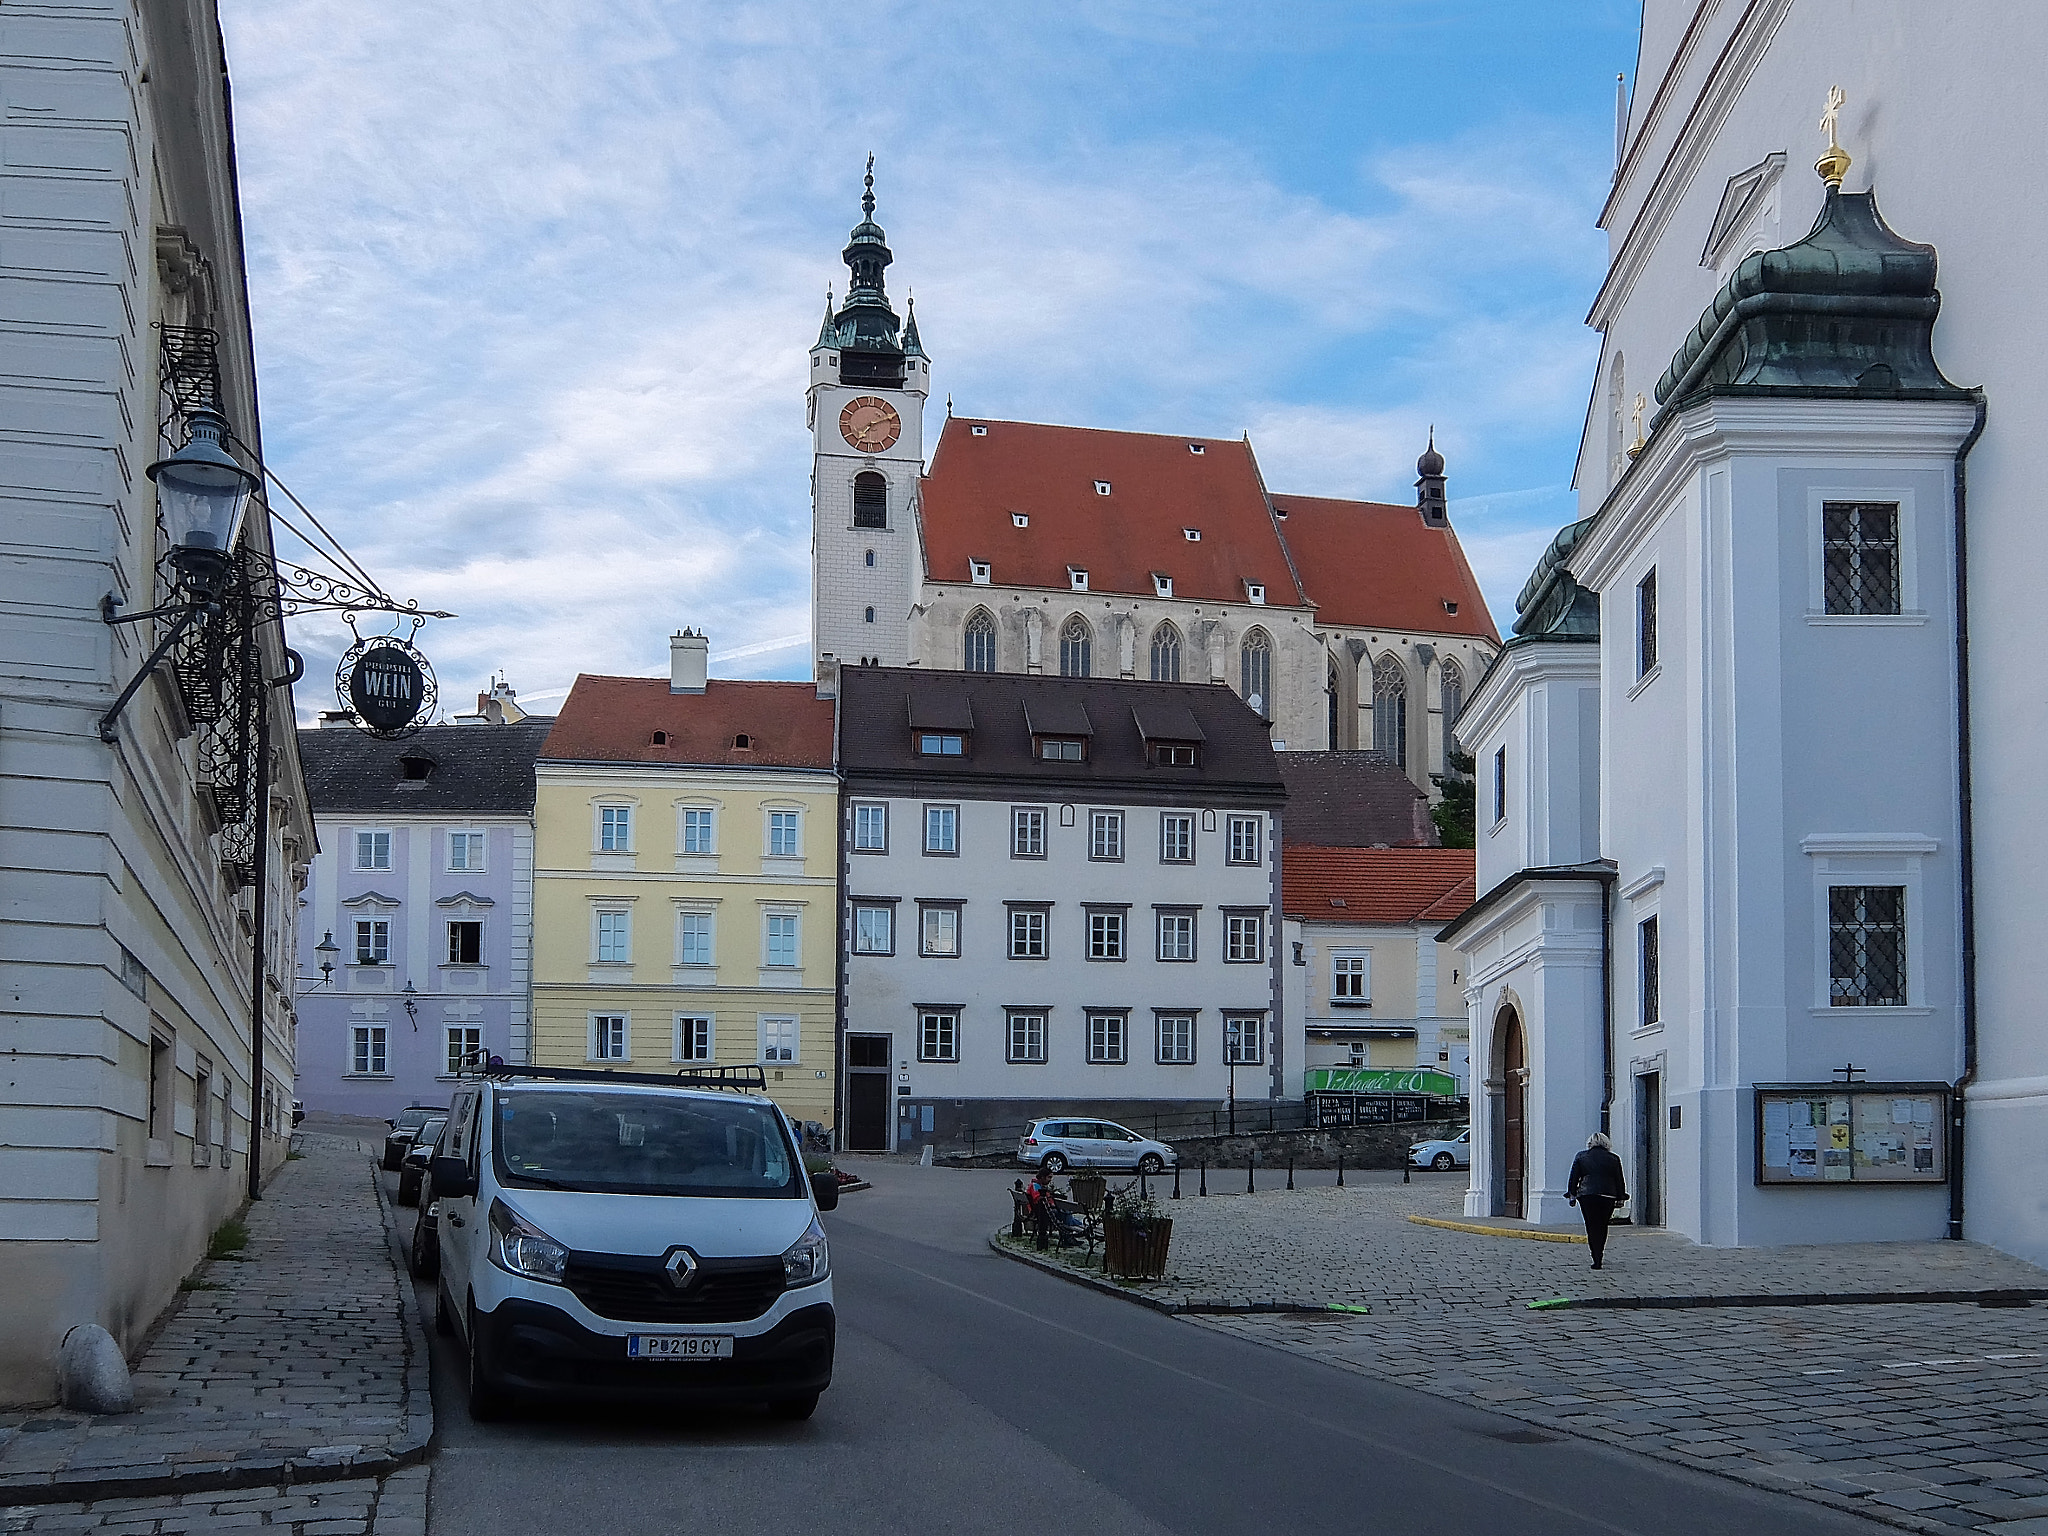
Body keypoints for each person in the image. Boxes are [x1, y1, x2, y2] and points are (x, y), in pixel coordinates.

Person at [1566, 1132, 1629, 1269]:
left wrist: (1572, 1194)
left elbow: (1574, 1177)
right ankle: (1600, 1251)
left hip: (1587, 1195)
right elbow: (1619, 1179)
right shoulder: (1614, 1158)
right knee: (1602, 1225)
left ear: (1590, 1143)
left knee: (1591, 1226)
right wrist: (1621, 1197)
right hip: (1607, 1196)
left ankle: (1596, 1256)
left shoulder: (1581, 1156)